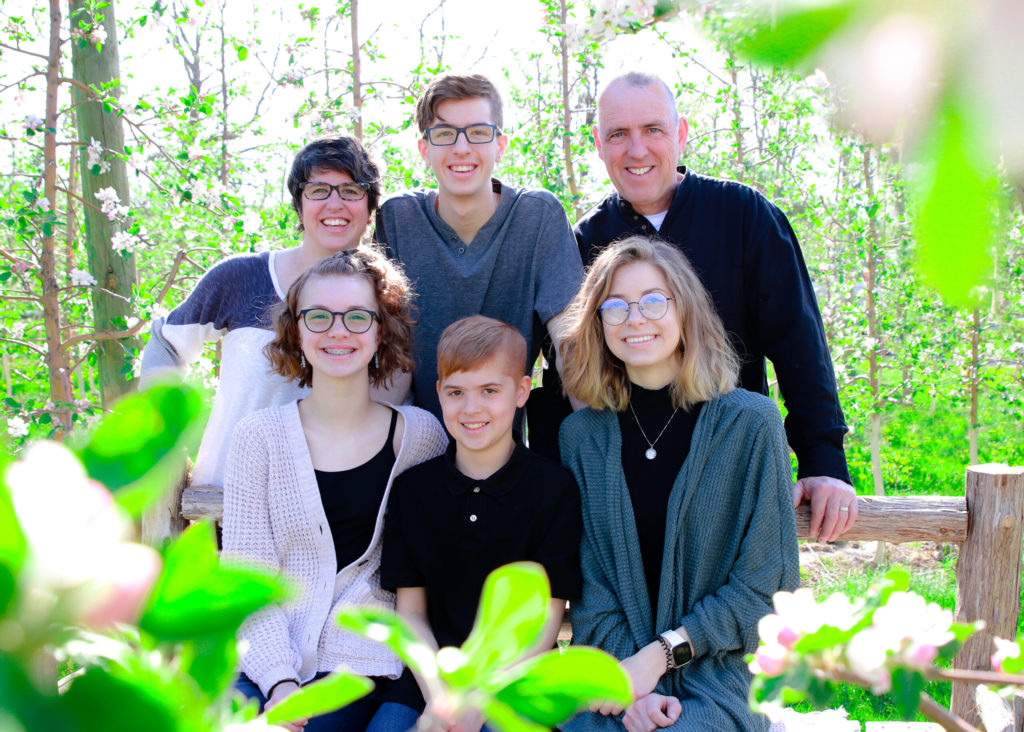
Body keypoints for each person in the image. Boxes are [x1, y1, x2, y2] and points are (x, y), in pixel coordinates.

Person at [570, 71, 857, 542]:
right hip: (629, 492)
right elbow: (572, 369)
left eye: (653, 130)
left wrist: (824, 460)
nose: (636, 150)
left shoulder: (745, 215)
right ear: (599, 144)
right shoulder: (587, 240)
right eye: (619, 134)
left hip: (733, 479)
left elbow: (800, 344)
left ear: (680, 134)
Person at [557, 237, 800, 732]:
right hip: (611, 679)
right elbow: (590, 588)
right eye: (615, 307)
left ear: (685, 311)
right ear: (598, 323)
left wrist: (662, 657)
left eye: (653, 301)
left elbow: (766, 586)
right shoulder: (580, 437)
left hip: (716, 678)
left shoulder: (751, 424)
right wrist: (631, 685)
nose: (634, 319)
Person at [221, 249, 448, 731]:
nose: (338, 331)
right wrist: (280, 683)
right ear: (296, 330)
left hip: (362, 665)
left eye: (357, 317)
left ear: (380, 330)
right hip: (261, 664)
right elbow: (245, 582)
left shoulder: (421, 438)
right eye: (319, 317)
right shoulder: (257, 438)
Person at [139, 134, 385, 494]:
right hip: (224, 503)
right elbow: (166, 345)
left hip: (336, 517)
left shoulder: (386, 296)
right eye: (318, 190)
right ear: (299, 204)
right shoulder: (242, 276)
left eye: (351, 190)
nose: (335, 204)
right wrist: (165, 437)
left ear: (370, 206)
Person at [377, 316, 582, 732]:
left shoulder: (553, 488)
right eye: (456, 393)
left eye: (490, 391)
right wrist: (444, 699)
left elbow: (546, 617)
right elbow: (411, 614)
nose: (472, 409)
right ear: (439, 394)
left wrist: (483, 700)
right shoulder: (412, 490)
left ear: (521, 392)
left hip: (516, 681)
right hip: (429, 681)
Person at [374, 74, 583, 426]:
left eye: (478, 132)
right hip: (416, 446)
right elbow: (389, 355)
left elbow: (572, 345)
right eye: (444, 134)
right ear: (425, 149)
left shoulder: (537, 216)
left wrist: (597, 443)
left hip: (505, 450)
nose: (461, 148)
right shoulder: (399, 219)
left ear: (500, 145)